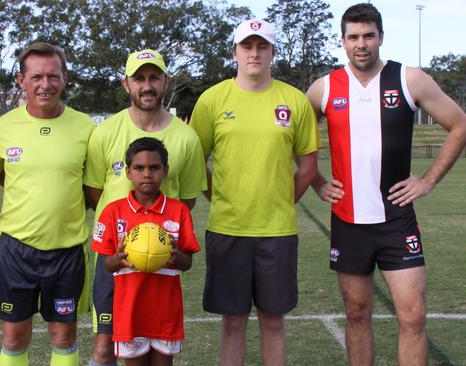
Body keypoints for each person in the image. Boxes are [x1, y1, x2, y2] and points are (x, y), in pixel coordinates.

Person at [306, 3, 466, 365]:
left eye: (368, 36)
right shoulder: (324, 88)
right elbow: (291, 141)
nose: (361, 44)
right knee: (357, 313)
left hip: (397, 221)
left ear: (380, 37)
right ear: (343, 42)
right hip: (348, 221)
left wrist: (428, 181)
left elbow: (459, 124)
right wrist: (315, 180)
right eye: (353, 37)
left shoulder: (409, 79)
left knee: (413, 315)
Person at [189, 19, 320, 366]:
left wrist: (278, 200)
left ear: (273, 52)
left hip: (277, 231)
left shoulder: (294, 100)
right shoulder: (211, 100)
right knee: (232, 322)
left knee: (273, 321)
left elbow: (308, 168)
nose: (255, 53)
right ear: (235, 52)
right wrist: (220, 197)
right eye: (247, 46)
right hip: (227, 228)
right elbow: (195, 162)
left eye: (262, 46)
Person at [84, 49, 207, 366]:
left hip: (161, 260)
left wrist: (154, 238)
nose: (147, 85)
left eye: (154, 77)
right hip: (115, 256)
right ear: (126, 84)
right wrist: (126, 225)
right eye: (139, 78)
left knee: (157, 349)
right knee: (103, 347)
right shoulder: (104, 133)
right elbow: (95, 192)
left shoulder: (186, 138)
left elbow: (188, 199)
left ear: (165, 82)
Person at [0, 42, 94, 366]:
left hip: (68, 250)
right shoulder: (2, 128)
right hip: (15, 250)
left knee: (64, 338)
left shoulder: (84, 126)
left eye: (53, 76)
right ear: (21, 80)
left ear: (65, 78)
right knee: (14, 338)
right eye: (36, 77)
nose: (45, 84)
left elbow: (93, 186)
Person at [91, 137, 200, 366]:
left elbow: (187, 261)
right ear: (129, 173)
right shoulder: (114, 212)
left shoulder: (178, 211)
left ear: (165, 171)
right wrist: (118, 258)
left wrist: (174, 254)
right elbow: (106, 264)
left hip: (165, 312)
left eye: (154, 168)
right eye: (139, 168)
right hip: (130, 312)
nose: (147, 174)